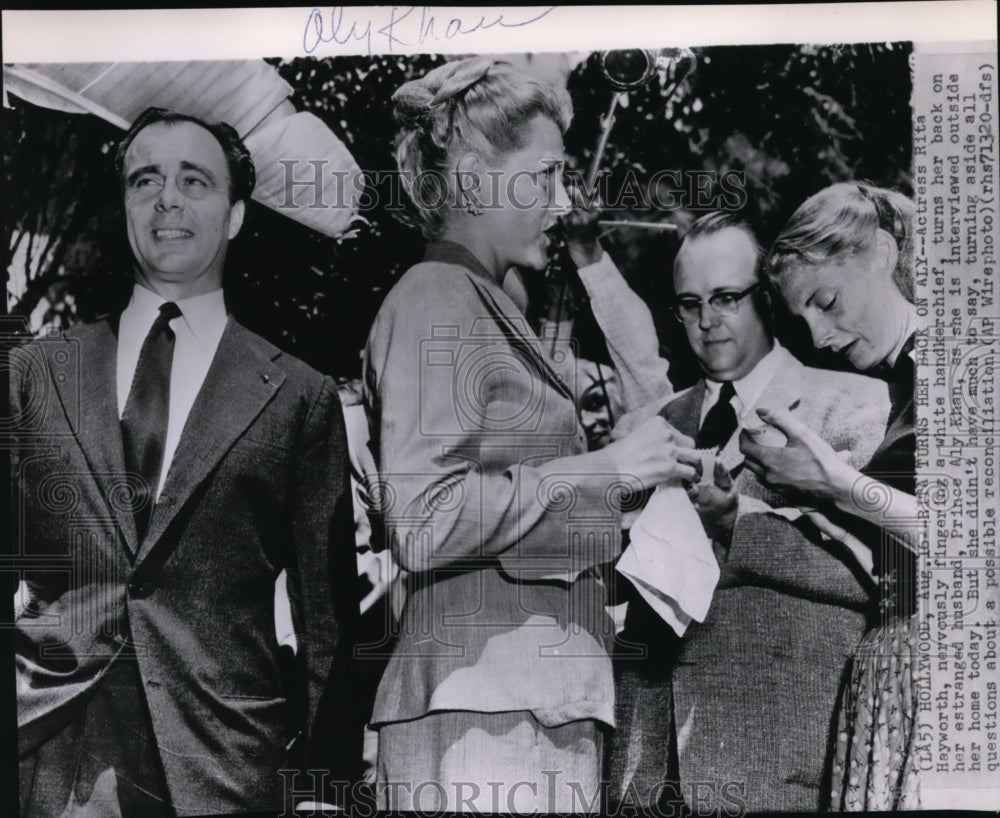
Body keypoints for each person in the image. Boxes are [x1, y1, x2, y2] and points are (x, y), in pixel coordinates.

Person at [362, 57, 703, 813]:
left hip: (529, 702)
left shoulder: (483, 303)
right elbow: (424, 519)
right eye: (546, 174)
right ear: (480, 176)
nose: (562, 200)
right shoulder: (437, 296)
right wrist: (603, 470)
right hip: (483, 710)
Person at [11, 107, 358, 817]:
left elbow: (329, 621)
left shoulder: (299, 397)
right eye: (146, 180)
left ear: (234, 214)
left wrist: (327, 779)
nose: (167, 198)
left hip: (223, 766)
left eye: (194, 180)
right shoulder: (32, 374)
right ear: (125, 207)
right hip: (50, 758)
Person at [605, 212, 893, 812]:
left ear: (766, 297)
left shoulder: (855, 405)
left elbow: (870, 577)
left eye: (726, 298)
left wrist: (736, 524)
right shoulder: (644, 430)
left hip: (776, 760)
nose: (706, 322)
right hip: (645, 767)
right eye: (688, 304)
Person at [742, 182, 920, 810]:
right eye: (802, 319)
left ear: (879, 252)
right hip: (891, 675)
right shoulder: (895, 387)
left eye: (826, 300)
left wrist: (837, 485)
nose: (817, 338)